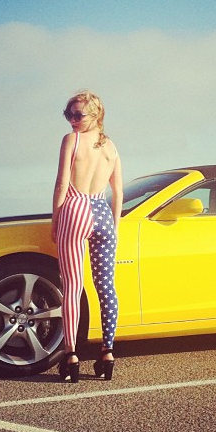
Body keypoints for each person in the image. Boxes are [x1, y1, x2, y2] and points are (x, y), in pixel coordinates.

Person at [51, 90, 123, 382]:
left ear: (96, 115)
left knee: (72, 285)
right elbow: (117, 191)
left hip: (76, 207)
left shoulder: (72, 140)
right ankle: (107, 352)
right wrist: (114, 227)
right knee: (106, 286)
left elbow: (61, 184)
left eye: (77, 115)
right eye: (68, 114)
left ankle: (71, 355)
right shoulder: (111, 147)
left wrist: (55, 220)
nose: (72, 120)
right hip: (102, 212)